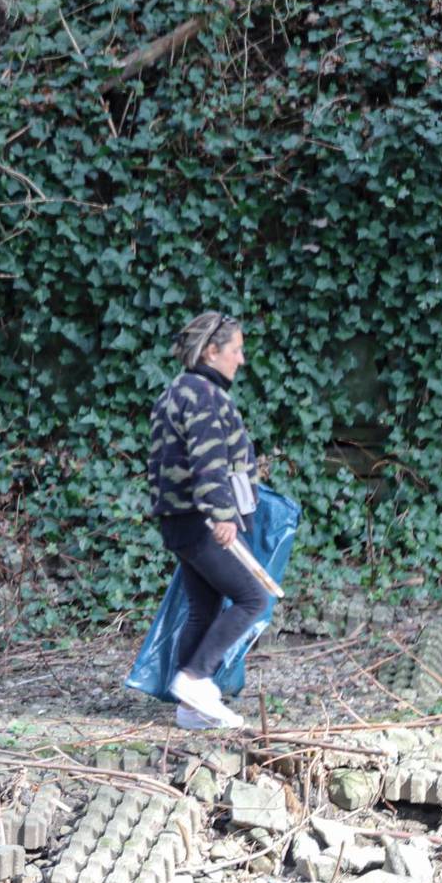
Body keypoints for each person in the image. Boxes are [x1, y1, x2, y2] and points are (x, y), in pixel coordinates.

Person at [148, 310, 268, 730]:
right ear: (212, 351)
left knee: (204, 608)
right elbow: (209, 461)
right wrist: (222, 514)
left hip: (177, 520)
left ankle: (189, 709)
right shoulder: (203, 395)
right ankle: (196, 679)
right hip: (201, 520)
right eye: (236, 350)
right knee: (253, 599)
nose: (241, 359)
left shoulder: (176, 391)